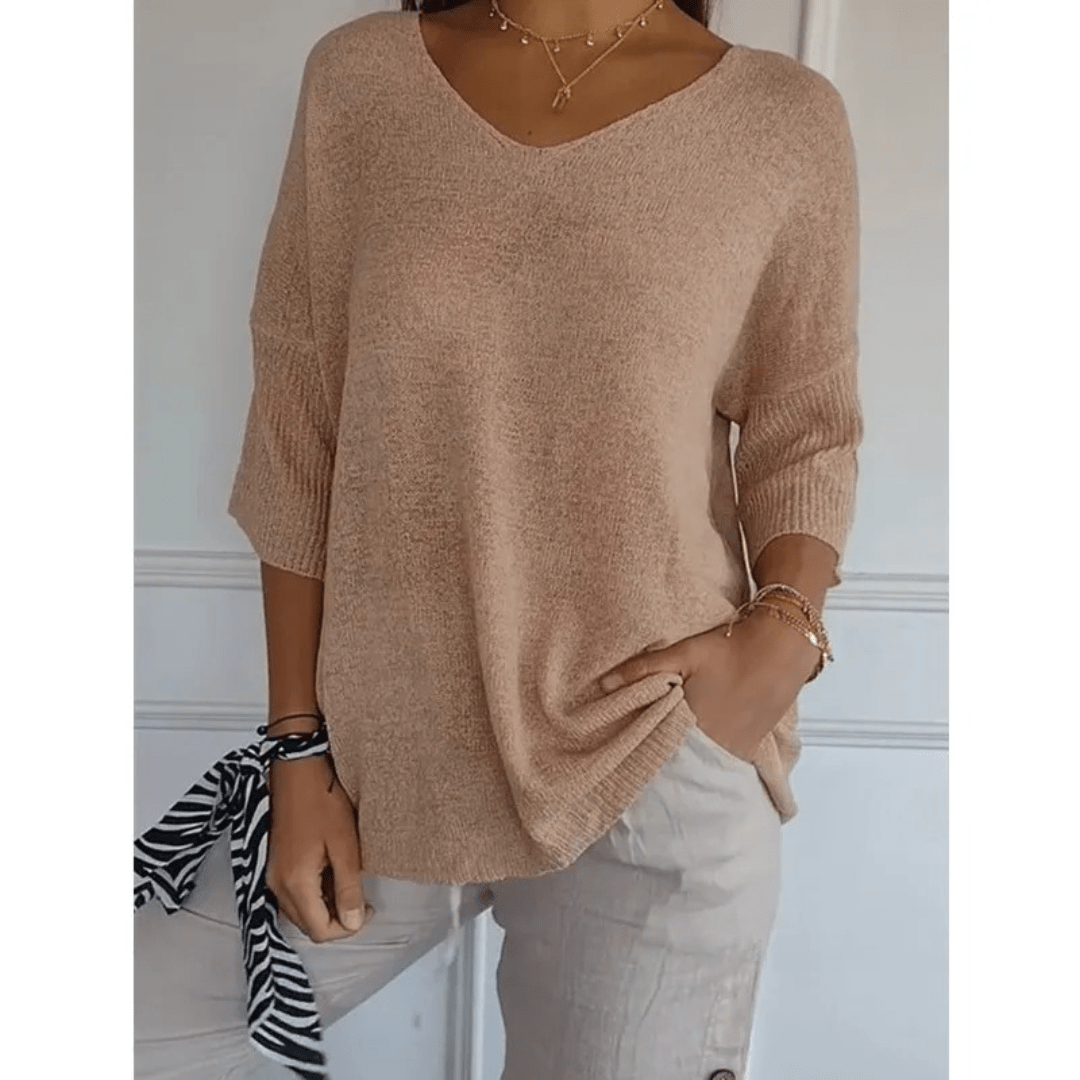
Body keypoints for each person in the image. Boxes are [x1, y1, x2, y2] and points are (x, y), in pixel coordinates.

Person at [133, 0, 864, 1078]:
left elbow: (806, 426)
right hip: (379, 761)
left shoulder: (781, 118)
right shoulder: (361, 81)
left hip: (650, 749)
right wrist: (297, 745)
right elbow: (299, 424)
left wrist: (782, 637)